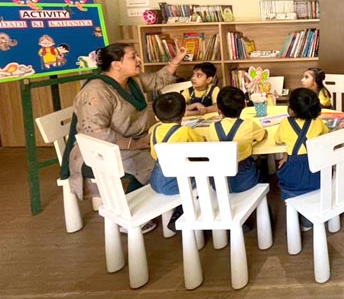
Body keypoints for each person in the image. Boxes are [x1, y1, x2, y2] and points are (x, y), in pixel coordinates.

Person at [62, 43, 187, 209]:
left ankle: (156, 203)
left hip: (134, 142)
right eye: (133, 57)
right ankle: (133, 210)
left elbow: (157, 80)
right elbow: (96, 133)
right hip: (101, 150)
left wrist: (177, 59)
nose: (139, 60)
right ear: (116, 64)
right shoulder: (95, 91)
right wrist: (134, 144)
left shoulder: (132, 80)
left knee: (171, 152)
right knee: (161, 163)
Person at [275, 87, 330, 230]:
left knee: (283, 175)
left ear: (292, 110)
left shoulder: (285, 123)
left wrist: (288, 153)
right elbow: (325, 134)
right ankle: (308, 218)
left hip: (294, 176)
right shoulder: (317, 122)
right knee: (310, 185)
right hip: (316, 174)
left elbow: (277, 139)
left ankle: (296, 214)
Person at [203, 86, 264, 192]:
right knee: (262, 165)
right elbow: (263, 135)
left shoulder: (212, 127)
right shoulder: (248, 124)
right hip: (244, 181)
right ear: (244, 106)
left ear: (218, 109)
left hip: (218, 184)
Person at [147, 92, 204, 196]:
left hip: (155, 181)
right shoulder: (185, 131)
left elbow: (154, 154)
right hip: (175, 183)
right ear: (184, 113)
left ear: (156, 117)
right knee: (207, 173)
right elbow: (202, 148)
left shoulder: (155, 130)